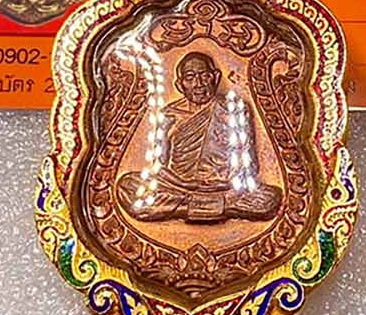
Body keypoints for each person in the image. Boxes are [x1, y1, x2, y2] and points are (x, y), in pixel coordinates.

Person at [116, 52, 282, 223]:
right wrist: (184, 184)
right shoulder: (169, 115)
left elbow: (248, 166)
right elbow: (158, 166)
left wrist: (226, 183)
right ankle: (217, 208)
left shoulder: (233, 110)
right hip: (180, 188)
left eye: (204, 76)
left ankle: (184, 209)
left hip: (225, 189)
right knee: (128, 185)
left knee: (270, 198)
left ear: (215, 77)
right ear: (180, 85)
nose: (198, 84)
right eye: (190, 77)